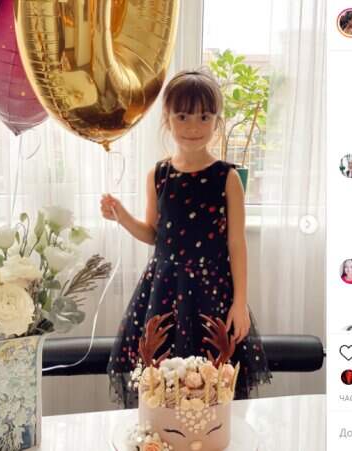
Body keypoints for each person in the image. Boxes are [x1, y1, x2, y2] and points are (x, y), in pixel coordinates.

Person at [101, 69, 271, 407]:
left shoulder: (227, 178)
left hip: (212, 290)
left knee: (211, 382)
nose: (193, 126)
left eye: (204, 117)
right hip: (163, 289)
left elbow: (237, 244)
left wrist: (239, 303)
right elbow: (154, 235)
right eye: (183, 116)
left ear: (216, 121)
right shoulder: (159, 175)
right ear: (167, 119)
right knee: (163, 385)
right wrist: (122, 217)